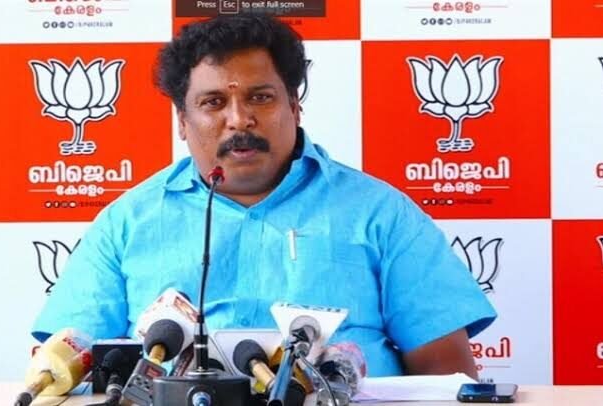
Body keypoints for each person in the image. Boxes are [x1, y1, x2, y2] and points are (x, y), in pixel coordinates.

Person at [32, 13, 496, 378]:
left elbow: (445, 373)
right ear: (182, 121)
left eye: (260, 97)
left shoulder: (380, 213)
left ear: (294, 105)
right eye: (213, 102)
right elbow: (64, 365)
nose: (239, 120)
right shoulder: (128, 222)